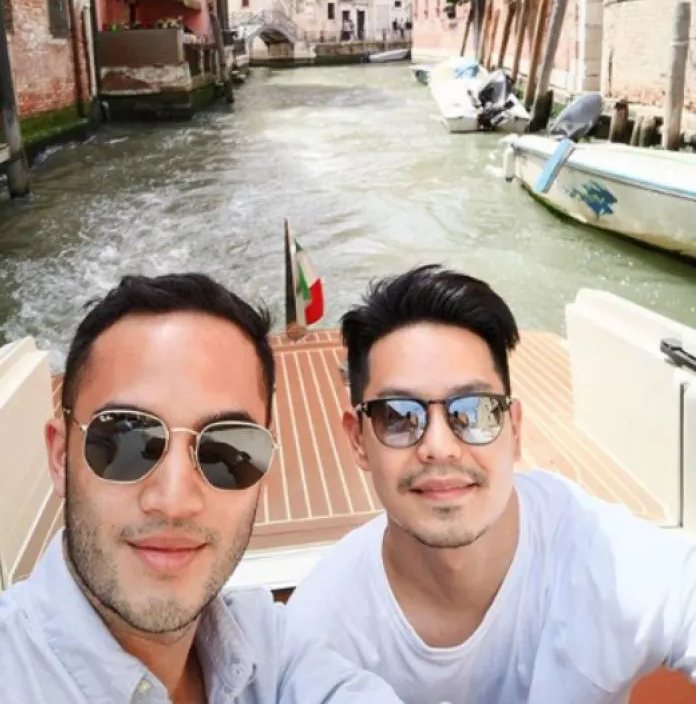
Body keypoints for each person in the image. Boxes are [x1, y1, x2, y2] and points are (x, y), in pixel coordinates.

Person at [0, 273, 406, 703]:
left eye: (227, 450)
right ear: (60, 457)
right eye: (125, 440)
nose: (174, 500)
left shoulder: (274, 647)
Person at [284, 264, 696, 704]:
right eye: (398, 416)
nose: (440, 447)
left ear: (514, 430)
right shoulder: (320, 630)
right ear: (358, 441)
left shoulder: (602, 558)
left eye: (474, 411)